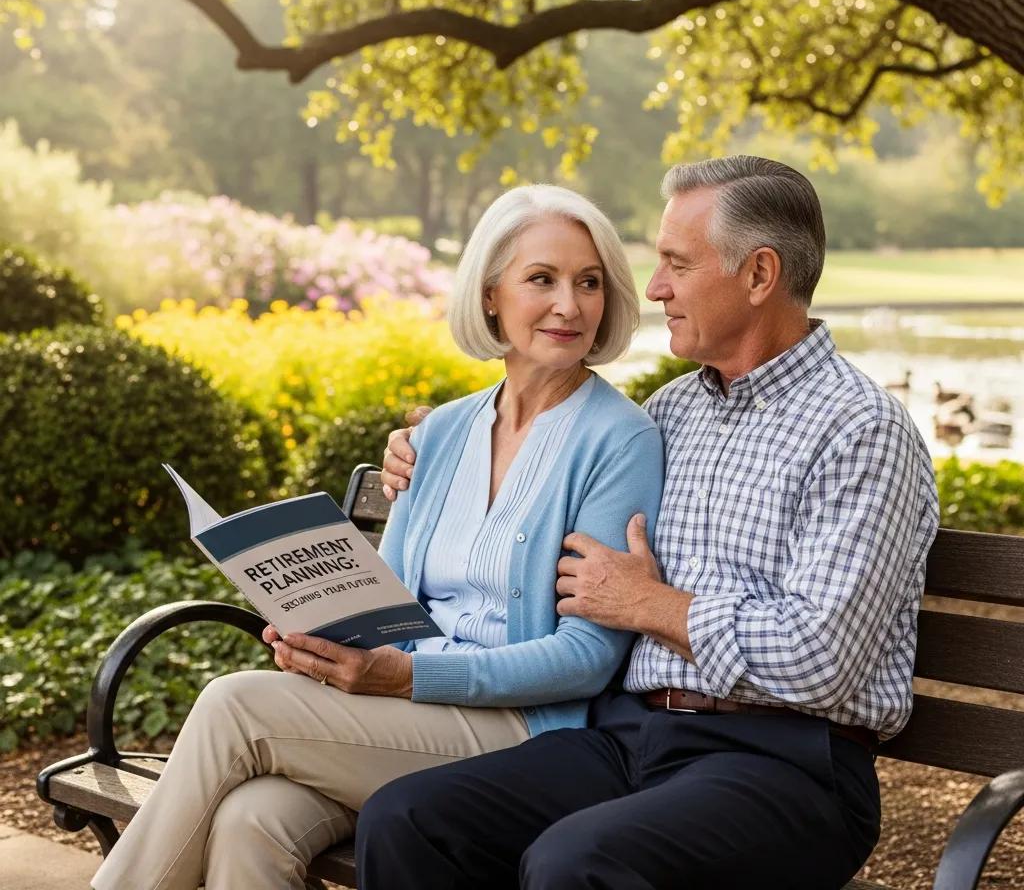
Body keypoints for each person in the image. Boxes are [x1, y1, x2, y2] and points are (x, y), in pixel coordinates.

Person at [365, 155, 940, 890]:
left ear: (759, 275)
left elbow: (819, 659)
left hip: (785, 763)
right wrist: (430, 448)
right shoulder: (672, 412)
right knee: (409, 819)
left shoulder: (860, 430)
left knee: (576, 862)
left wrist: (651, 605)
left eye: (677, 263)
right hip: (633, 737)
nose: (655, 287)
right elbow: (546, 460)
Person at [90, 185, 664, 890]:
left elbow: (586, 659)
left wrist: (411, 677)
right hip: (399, 708)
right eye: (541, 279)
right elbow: (386, 604)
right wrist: (319, 638)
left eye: (589, 283)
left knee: (232, 705)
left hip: (518, 727)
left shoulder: (619, 440)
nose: (569, 305)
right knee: (250, 818)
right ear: (491, 296)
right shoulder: (441, 432)